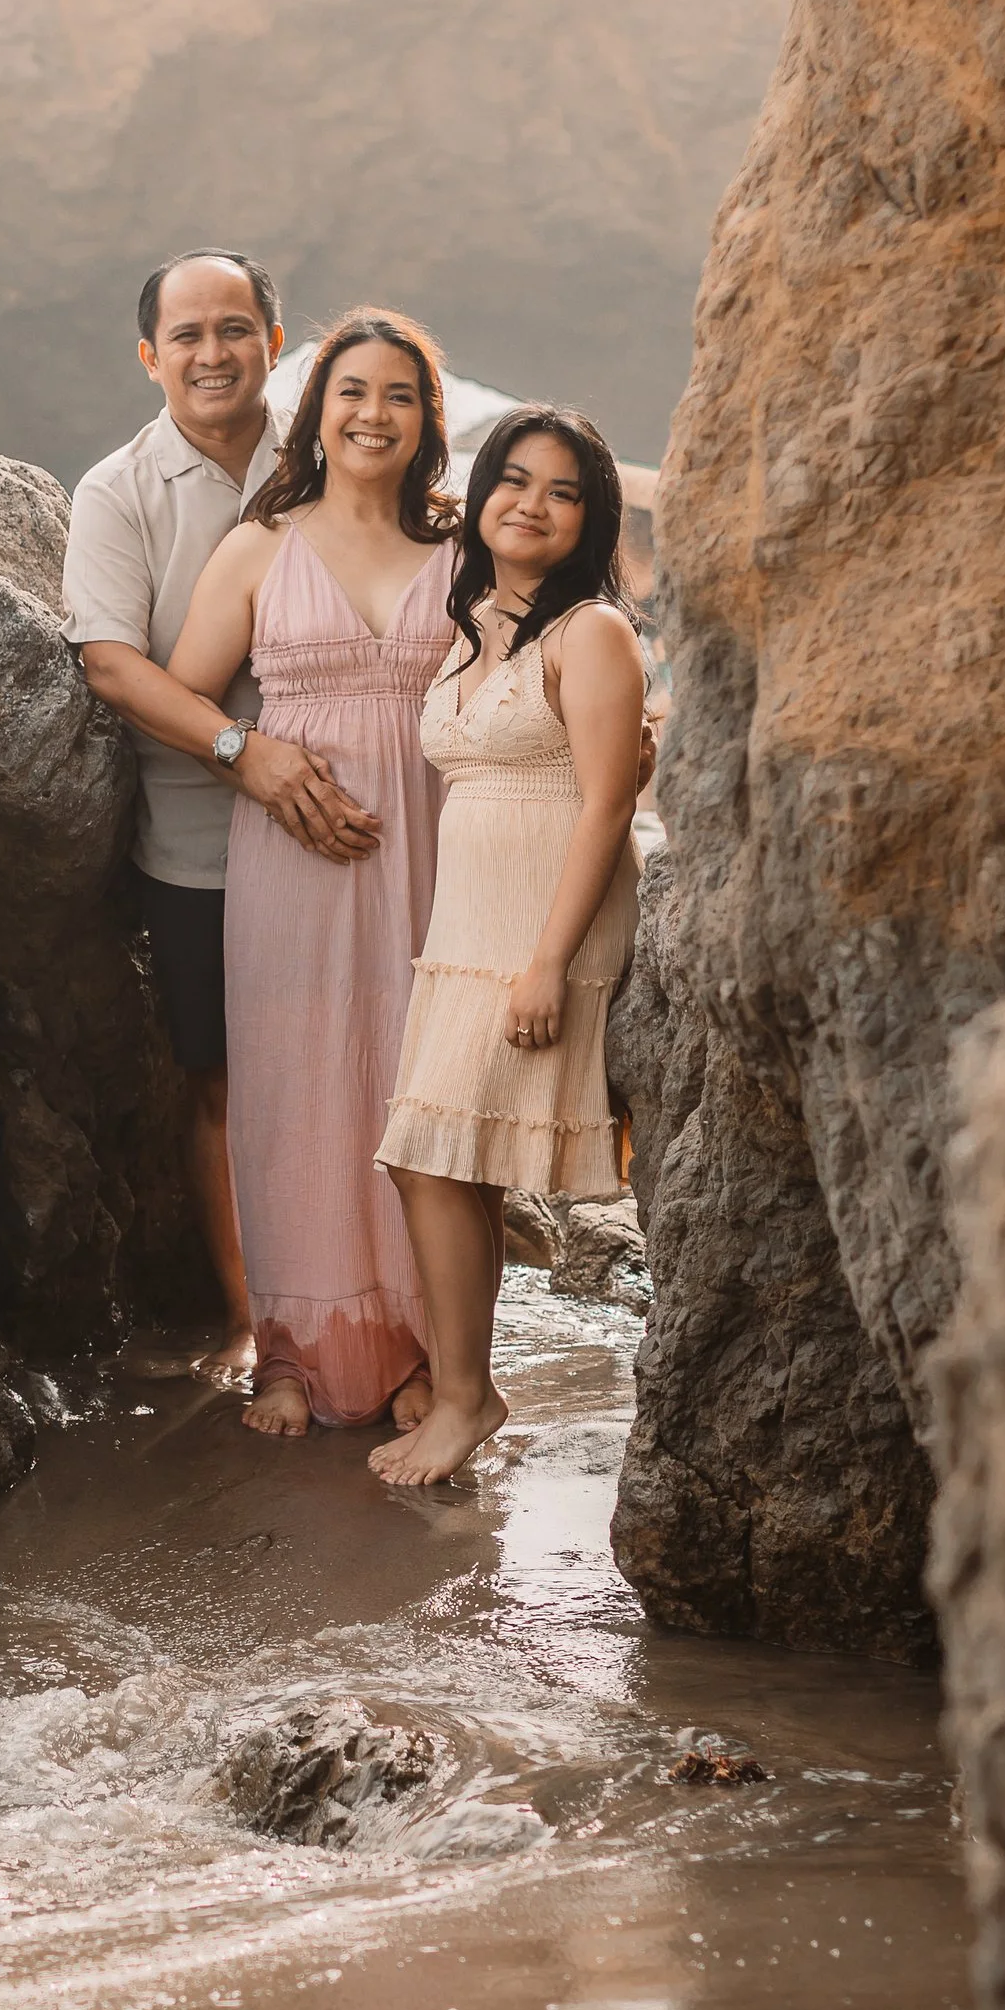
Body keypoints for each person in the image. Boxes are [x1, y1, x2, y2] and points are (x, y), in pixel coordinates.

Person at [63, 250, 379, 1385]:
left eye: (235, 329)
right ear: (150, 357)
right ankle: (261, 1327)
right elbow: (110, 664)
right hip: (200, 831)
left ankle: (379, 1307)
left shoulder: (335, 454)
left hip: (353, 819)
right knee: (223, 1079)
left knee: (363, 1059)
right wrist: (245, 754)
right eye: (187, 336)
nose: (213, 354)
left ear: (274, 344)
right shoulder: (117, 492)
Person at [166, 310, 457, 1435]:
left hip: (434, 855)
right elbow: (184, 692)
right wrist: (254, 755)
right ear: (317, 411)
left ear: (426, 421)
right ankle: (293, 1352)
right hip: (292, 858)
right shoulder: (260, 548)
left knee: (418, 1086)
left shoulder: (462, 552)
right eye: (353, 391)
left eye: (399, 395)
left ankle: (425, 1352)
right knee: (296, 1087)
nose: (374, 414)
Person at [372, 408, 646, 1489]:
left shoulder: (593, 632)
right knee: (451, 1162)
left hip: (542, 928)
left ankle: (463, 1399)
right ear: (481, 493)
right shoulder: (476, 622)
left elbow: (609, 804)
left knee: (428, 1157)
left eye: (562, 491)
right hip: (467, 927)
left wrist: (547, 963)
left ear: (590, 520)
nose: (531, 504)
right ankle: (466, 1389)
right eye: (514, 480)